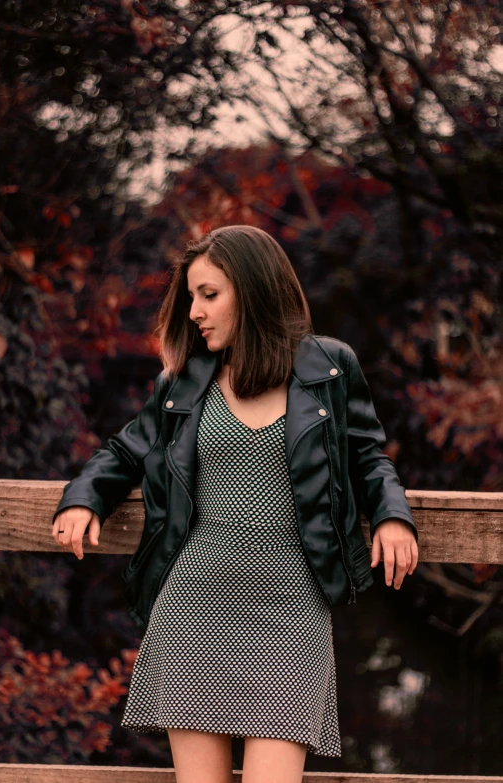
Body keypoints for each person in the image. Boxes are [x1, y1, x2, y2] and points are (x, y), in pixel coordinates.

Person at [52, 224, 418, 783]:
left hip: (290, 614)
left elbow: (368, 458)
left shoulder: (329, 368)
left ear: (253, 289)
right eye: (192, 296)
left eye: (209, 294)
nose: (194, 311)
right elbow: (123, 451)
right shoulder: (184, 381)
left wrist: (392, 515)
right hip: (193, 610)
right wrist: (82, 501)